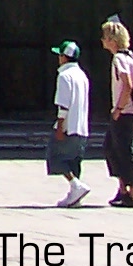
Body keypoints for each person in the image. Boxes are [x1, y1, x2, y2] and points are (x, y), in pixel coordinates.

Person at [100, 17, 133, 208]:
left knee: (124, 151)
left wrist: (118, 109)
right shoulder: (131, 57)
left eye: (105, 37)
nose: (102, 40)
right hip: (131, 111)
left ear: (112, 40)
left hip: (124, 112)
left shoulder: (119, 59)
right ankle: (123, 189)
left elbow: (128, 85)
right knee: (111, 148)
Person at [50, 40, 91, 208]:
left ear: (64, 57)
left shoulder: (64, 76)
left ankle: (76, 186)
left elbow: (63, 104)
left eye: (60, 55)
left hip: (69, 126)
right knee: (74, 160)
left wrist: (60, 126)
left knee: (56, 157)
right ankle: (75, 195)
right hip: (81, 126)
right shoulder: (82, 75)